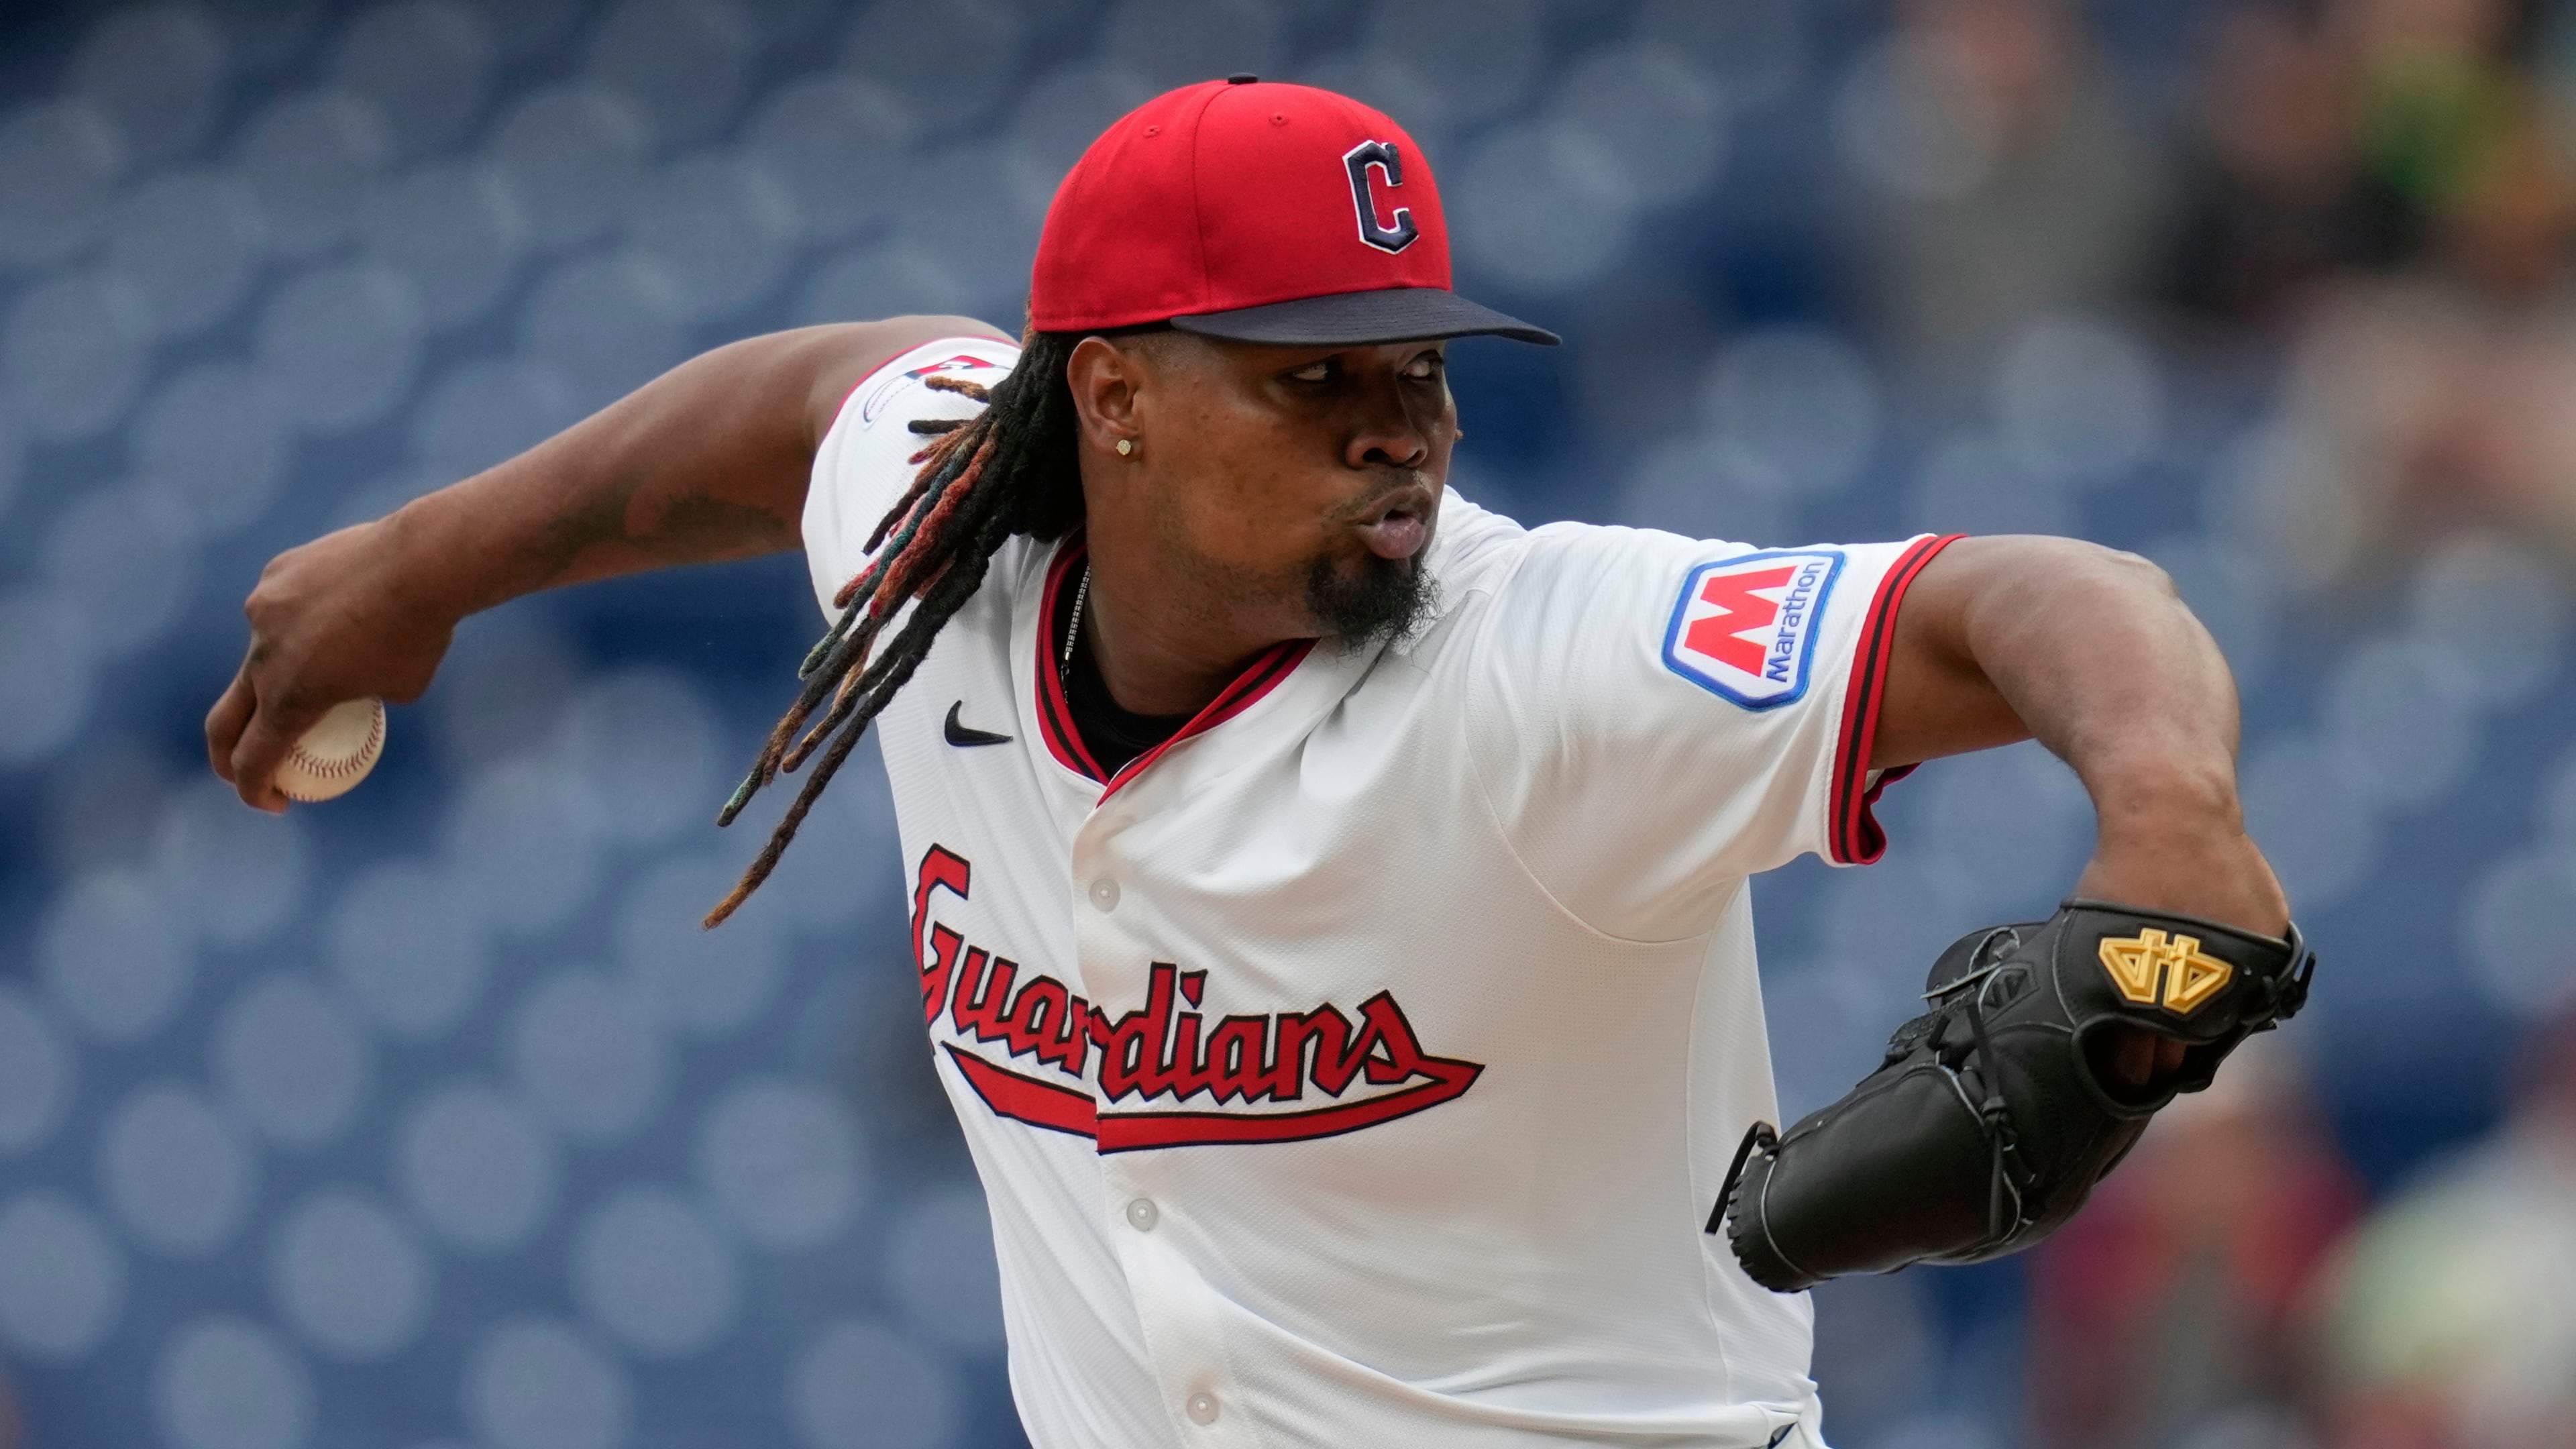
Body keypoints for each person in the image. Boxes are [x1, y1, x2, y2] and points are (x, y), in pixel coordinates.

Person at [207, 78, 2289, 1449]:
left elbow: (2042, 594)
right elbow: (797, 410)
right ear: (1105, 396)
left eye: (1419, 371)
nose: (1402, 425)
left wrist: (2172, 828)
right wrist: (422, 564)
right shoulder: (949, 534)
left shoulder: (1548, 664)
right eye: (1316, 380)